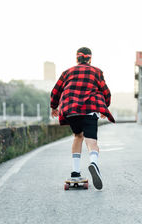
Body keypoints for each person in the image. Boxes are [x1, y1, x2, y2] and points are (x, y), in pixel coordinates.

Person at [50, 47, 115, 190]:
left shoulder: (67, 72)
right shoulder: (96, 72)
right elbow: (106, 92)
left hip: (71, 110)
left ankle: (75, 171)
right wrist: (104, 107)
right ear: (90, 59)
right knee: (92, 142)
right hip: (90, 109)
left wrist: (54, 107)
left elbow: (56, 91)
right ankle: (93, 163)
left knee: (78, 136)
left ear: (76, 59)